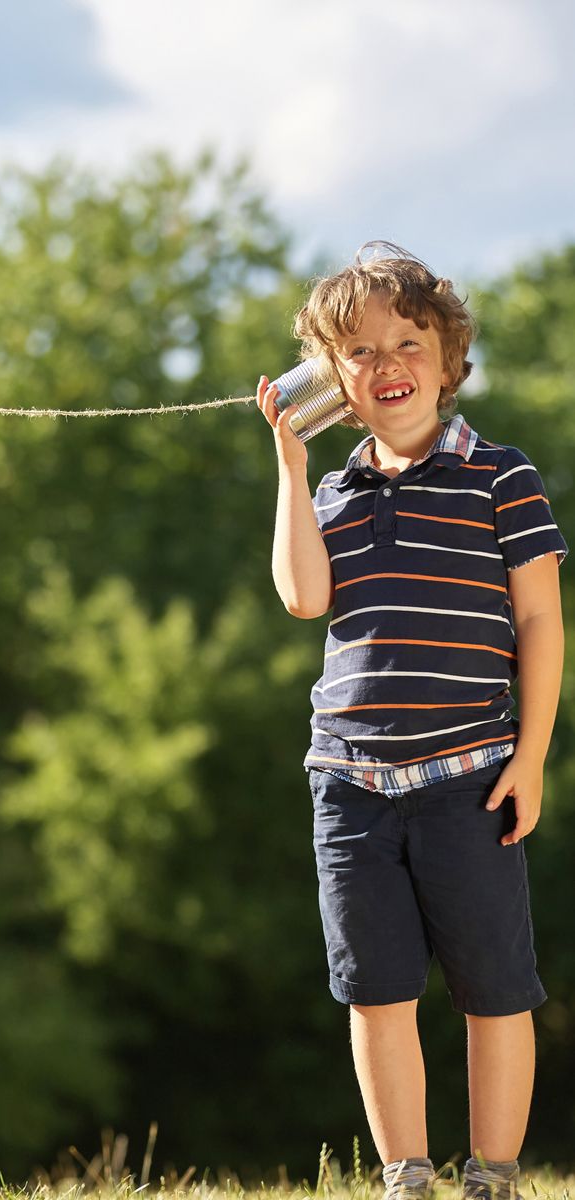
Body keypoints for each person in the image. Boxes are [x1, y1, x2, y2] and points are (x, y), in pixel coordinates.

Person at [256, 243, 564, 1200]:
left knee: (494, 989)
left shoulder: (501, 477)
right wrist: (291, 465)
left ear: (448, 359)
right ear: (332, 383)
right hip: (349, 785)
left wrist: (532, 757)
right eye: (358, 351)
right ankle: (407, 1176)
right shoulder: (333, 494)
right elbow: (304, 598)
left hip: (470, 776)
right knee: (376, 990)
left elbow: (540, 621)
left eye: (407, 343)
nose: (386, 363)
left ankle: (493, 1176)